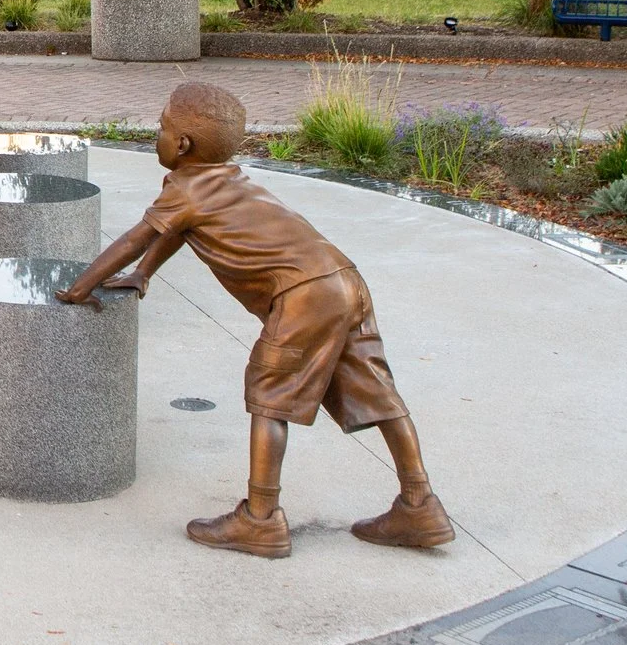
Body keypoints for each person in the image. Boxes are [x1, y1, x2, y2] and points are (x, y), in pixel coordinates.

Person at [56, 82, 452, 559]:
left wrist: (80, 287)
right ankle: (419, 503)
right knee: (377, 391)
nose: (156, 135)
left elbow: (134, 237)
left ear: (182, 145)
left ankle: (260, 520)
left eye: (162, 128)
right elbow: (173, 232)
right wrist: (143, 275)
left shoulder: (185, 189)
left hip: (302, 295)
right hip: (343, 279)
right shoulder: (227, 180)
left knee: (270, 395)